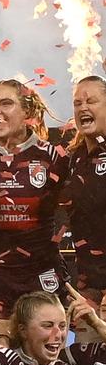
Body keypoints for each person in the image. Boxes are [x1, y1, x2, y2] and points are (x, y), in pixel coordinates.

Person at [0, 79, 69, 344]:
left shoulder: (54, 157)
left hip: (42, 275)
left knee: (46, 361)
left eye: (6, 103)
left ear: (28, 113)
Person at [60, 75, 106, 311]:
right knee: (84, 347)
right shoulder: (74, 158)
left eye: (91, 101)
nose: (83, 107)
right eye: (77, 103)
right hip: (88, 287)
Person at [9, 285, 106, 365]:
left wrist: (96, 323)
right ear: (23, 330)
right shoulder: (4, 364)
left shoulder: (72, 361)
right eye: (48, 326)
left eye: (62, 326)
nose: (58, 334)